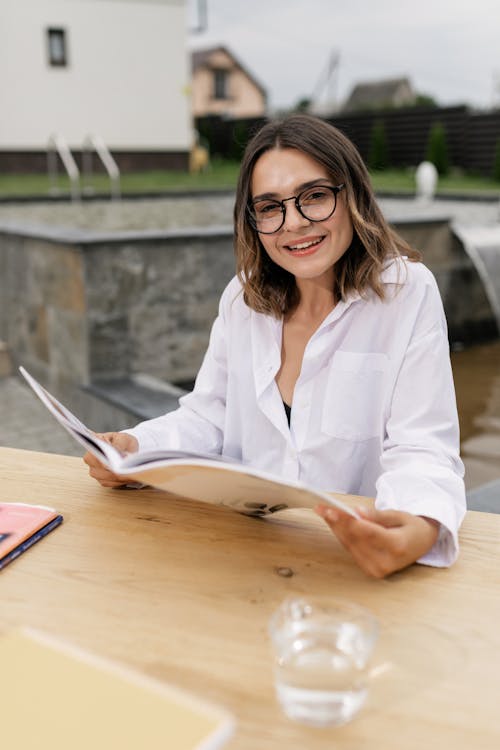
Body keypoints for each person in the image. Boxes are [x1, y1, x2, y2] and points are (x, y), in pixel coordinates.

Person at [84, 114, 466, 578]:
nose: (294, 224)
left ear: (353, 195)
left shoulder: (406, 293)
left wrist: (418, 528)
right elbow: (209, 414)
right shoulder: (242, 299)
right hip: (243, 555)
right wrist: (136, 448)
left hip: (346, 561)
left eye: (315, 197)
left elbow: (422, 446)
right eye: (270, 207)